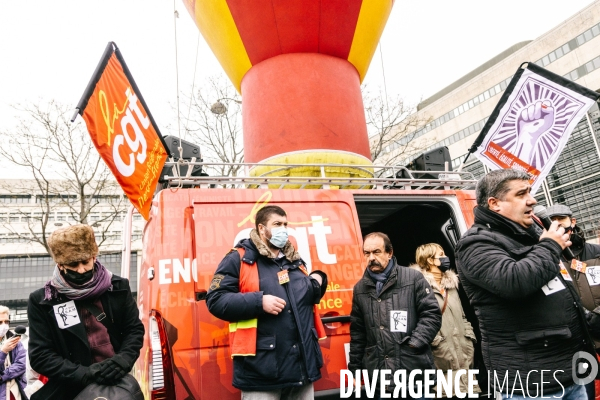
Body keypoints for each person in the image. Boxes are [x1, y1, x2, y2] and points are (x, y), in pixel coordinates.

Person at [456, 169, 596, 400]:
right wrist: (550, 245)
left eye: (530, 192)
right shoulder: (475, 244)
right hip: (532, 384)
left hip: (569, 371)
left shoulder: (532, 233)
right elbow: (515, 282)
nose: (532, 200)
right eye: (522, 194)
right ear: (495, 204)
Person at [206, 205, 328, 400]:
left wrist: (318, 279)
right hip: (262, 371)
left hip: (301, 369)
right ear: (261, 229)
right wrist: (259, 301)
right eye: (277, 224)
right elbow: (215, 299)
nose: (283, 229)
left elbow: (305, 297)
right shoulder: (239, 258)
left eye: (285, 224)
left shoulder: (293, 258)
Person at [27, 224, 144, 400]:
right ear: (60, 265)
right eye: (73, 264)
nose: (81, 269)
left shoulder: (118, 287)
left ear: (94, 256)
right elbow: (40, 355)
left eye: (86, 261)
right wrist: (85, 374)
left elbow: (134, 330)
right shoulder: (43, 300)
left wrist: (122, 361)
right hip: (71, 389)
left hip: (117, 385)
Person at [348, 232, 442, 399]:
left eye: (376, 252)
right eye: (367, 253)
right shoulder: (360, 288)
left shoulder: (413, 278)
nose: (371, 258)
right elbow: (358, 333)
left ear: (389, 253)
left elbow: (431, 315)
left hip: (413, 373)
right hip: (379, 379)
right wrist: (354, 369)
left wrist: (415, 343)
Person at [542, 203, 600, 400]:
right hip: (576, 344)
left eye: (561, 219)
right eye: (552, 221)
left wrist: (597, 316)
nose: (557, 224)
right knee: (588, 392)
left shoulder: (596, 253)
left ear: (572, 222)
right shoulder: (546, 258)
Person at [411, 243, 480, 398]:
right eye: (440, 254)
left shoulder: (451, 285)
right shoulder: (418, 288)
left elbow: (462, 316)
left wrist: (468, 334)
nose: (445, 258)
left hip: (464, 353)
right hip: (441, 356)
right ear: (430, 260)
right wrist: (435, 340)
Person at [0, 305, 27, 400]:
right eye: (0, 322)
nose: (3, 325)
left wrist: (2, 376)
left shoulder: (15, 341)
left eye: (6, 321)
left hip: (13, 391)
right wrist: (3, 351)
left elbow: (21, 365)